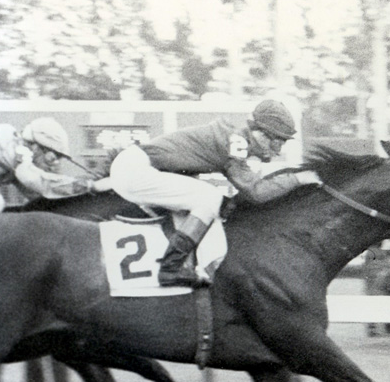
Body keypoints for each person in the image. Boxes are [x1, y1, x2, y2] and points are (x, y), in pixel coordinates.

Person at [107, 98, 320, 287]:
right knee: (210, 198)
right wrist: (298, 178)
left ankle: (201, 274)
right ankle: (170, 269)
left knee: (215, 215)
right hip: (134, 170)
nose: (279, 149)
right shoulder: (236, 143)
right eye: (278, 140)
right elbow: (256, 193)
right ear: (262, 135)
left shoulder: (234, 139)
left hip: (136, 169)